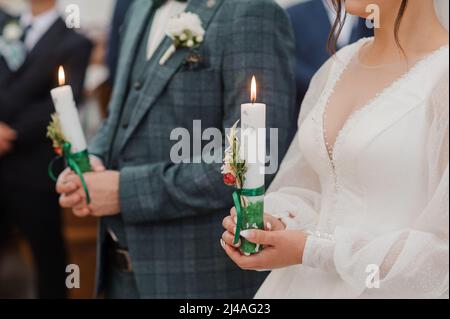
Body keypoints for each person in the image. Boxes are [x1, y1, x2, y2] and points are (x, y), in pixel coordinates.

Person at [56, 0, 297, 298]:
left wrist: (124, 192)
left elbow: (254, 158)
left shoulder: (252, 12)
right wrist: (92, 160)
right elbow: (119, 115)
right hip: (119, 271)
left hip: (198, 278)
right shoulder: (140, 8)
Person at [221, 0, 449, 298]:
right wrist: (276, 222)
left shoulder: (442, 76)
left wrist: (314, 249)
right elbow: (312, 187)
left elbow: (441, 255)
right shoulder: (337, 66)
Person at [0, 0, 92, 298]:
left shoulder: (74, 42)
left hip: (34, 168)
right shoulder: (5, 27)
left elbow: (64, 103)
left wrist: (10, 132)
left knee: (48, 257)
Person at [287, 0, 372, 107]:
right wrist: (324, 85)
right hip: (310, 106)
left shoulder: (372, 16)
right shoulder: (294, 15)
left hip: (361, 106)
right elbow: (289, 63)